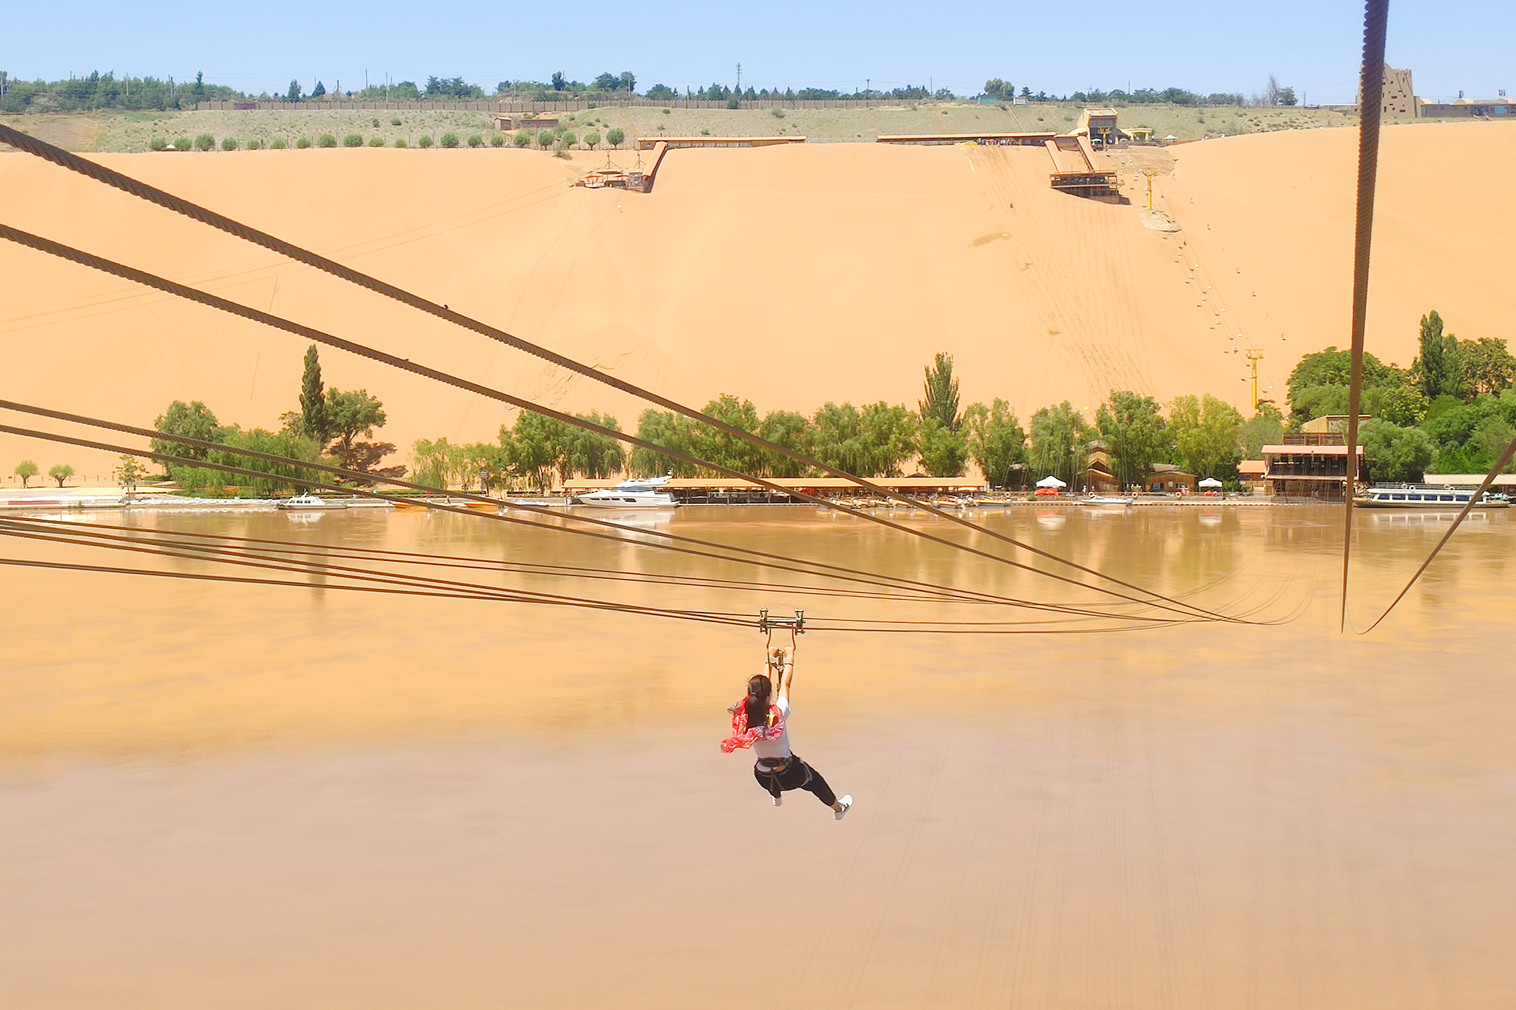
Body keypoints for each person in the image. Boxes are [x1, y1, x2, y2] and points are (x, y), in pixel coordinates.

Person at [720, 630, 852, 820]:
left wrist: (769, 661)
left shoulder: (743, 715)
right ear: (769, 696)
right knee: (816, 781)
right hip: (790, 775)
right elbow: (786, 685)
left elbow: (760, 691)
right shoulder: (777, 713)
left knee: (766, 765)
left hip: (763, 778)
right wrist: (790, 658)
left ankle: (776, 796)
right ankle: (839, 809)